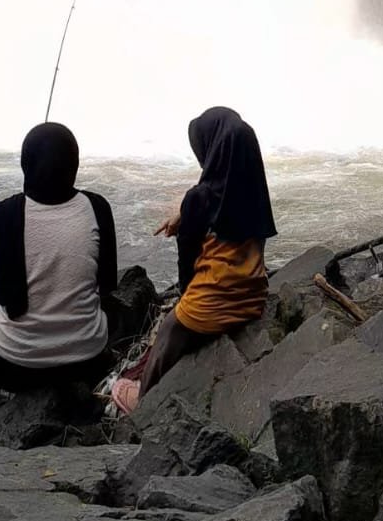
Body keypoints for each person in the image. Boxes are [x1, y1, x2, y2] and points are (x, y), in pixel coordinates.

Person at [112, 106, 276, 414]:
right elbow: (218, 210)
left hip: (217, 302)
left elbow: (187, 265)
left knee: (169, 330)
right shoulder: (252, 190)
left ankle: (142, 398)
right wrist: (185, 214)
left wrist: (185, 298)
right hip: (253, 294)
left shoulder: (199, 198)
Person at [0, 121, 117, 412]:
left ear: (26, 163)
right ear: (74, 163)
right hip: (87, 361)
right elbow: (107, 284)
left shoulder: (4, 213)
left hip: (14, 366)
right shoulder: (97, 207)